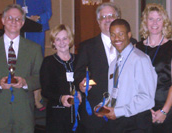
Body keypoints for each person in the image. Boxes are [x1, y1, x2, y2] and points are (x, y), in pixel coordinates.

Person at [74, 2, 136, 132]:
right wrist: (81, 83)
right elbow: (78, 72)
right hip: (97, 111)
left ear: (118, 18)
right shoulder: (87, 46)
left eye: (111, 16)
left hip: (124, 111)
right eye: (103, 17)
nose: (107, 19)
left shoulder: (132, 44)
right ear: (98, 21)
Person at [0, 4, 43, 133]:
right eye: (10, 18)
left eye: (18, 19)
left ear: (23, 22)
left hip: (24, 114)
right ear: (3, 20)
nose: (14, 22)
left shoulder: (34, 49)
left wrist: (25, 82)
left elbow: (41, 77)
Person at [95, 18, 157, 132]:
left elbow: (147, 98)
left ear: (129, 35)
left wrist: (119, 112)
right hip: (117, 122)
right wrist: (102, 105)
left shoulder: (140, 59)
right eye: (113, 35)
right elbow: (114, 93)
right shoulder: (114, 63)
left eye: (120, 34)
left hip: (136, 123)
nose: (116, 38)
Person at [136, 3, 172, 133]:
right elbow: (134, 83)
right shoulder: (136, 48)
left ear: (164, 22)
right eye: (151, 19)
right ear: (145, 22)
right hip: (143, 107)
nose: (154, 23)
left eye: (158, 19)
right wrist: (146, 109)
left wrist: (163, 111)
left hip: (169, 107)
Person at [40, 24, 81, 133]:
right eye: (57, 39)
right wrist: (61, 98)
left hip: (79, 113)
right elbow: (45, 91)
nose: (62, 42)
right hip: (57, 115)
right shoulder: (48, 62)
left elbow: (84, 82)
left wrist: (82, 93)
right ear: (53, 43)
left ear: (70, 40)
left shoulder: (79, 60)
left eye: (64, 38)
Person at [16, 0, 52, 111]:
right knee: (23, 64)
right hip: (22, 31)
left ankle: (37, 97)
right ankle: (24, 95)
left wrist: (38, 18)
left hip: (36, 30)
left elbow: (48, 12)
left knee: (37, 64)